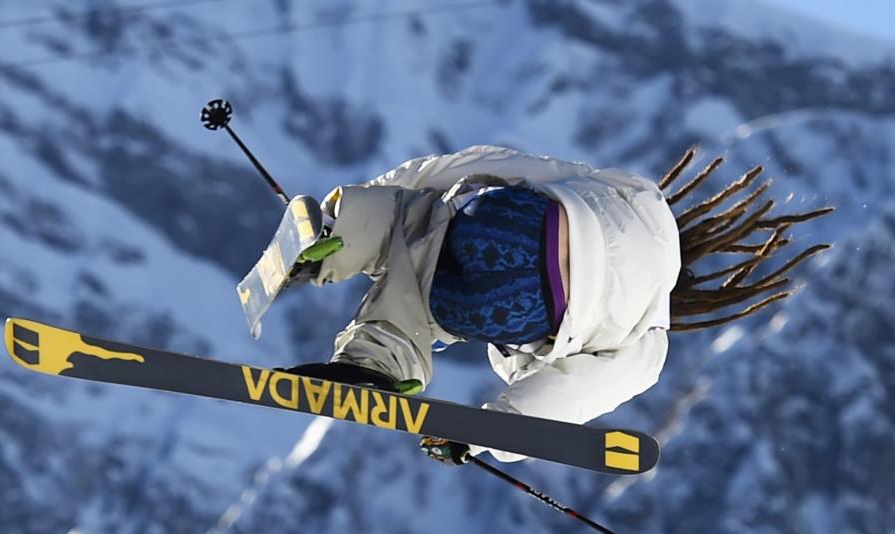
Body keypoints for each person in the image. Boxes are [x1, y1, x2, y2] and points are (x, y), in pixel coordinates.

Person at [287, 145, 832, 464]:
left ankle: (338, 236)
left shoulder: (637, 194)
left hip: (517, 223)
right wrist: (485, 436)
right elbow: (572, 392)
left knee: (420, 222)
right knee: (425, 303)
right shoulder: (647, 340)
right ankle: (371, 367)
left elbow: (493, 164)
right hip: (527, 301)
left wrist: (364, 195)